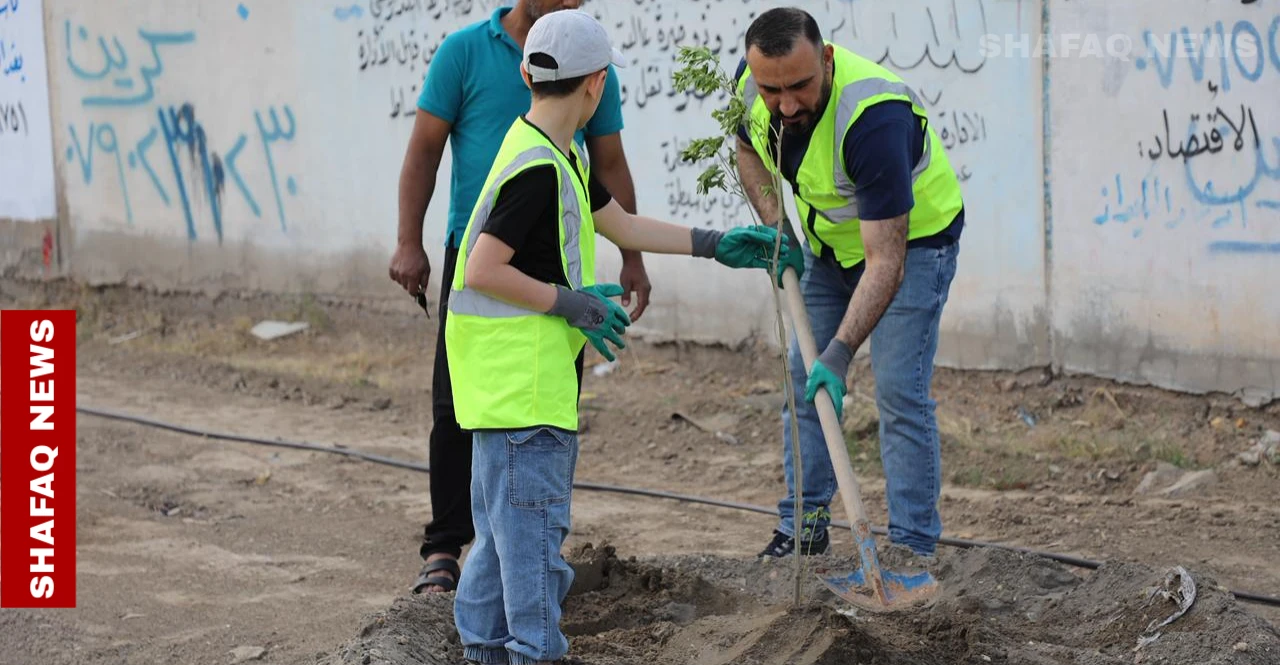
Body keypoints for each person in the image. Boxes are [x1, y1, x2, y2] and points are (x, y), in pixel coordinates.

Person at [445, 11, 792, 663]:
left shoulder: (553, 151)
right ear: (596, 84)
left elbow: (623, 226)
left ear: (526, 73)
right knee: (532, 551)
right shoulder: (538, 169)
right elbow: (484, 268)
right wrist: (570, 303)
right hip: (527, 395)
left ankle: (484, 652)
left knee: (499, 544)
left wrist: (715, 244)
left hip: (500, 394)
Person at [388, 0, 652, 595]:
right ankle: (447, 547)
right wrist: (409, 240)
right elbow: (424, 149)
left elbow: (609, 166)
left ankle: (523, 550)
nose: (570, 3)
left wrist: (636, 256)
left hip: (550, 262)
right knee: (458, 407)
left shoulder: (587, 60)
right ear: (529, 72)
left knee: (545, 411)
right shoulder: (464, 53)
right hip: (479, 253)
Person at [732, 8, 965, 561]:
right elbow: (746, 150)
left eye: (800, 86)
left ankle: (911, 548)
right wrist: (779, 229)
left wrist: (838, 354)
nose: (787, 105)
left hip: (913, 246)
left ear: (828, 60)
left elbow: (886, 263)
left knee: (898, 392)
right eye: (772, 90)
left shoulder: (874, 119)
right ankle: (804, 529)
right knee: (802, 383)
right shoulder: (749, 88)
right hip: (828, 249)